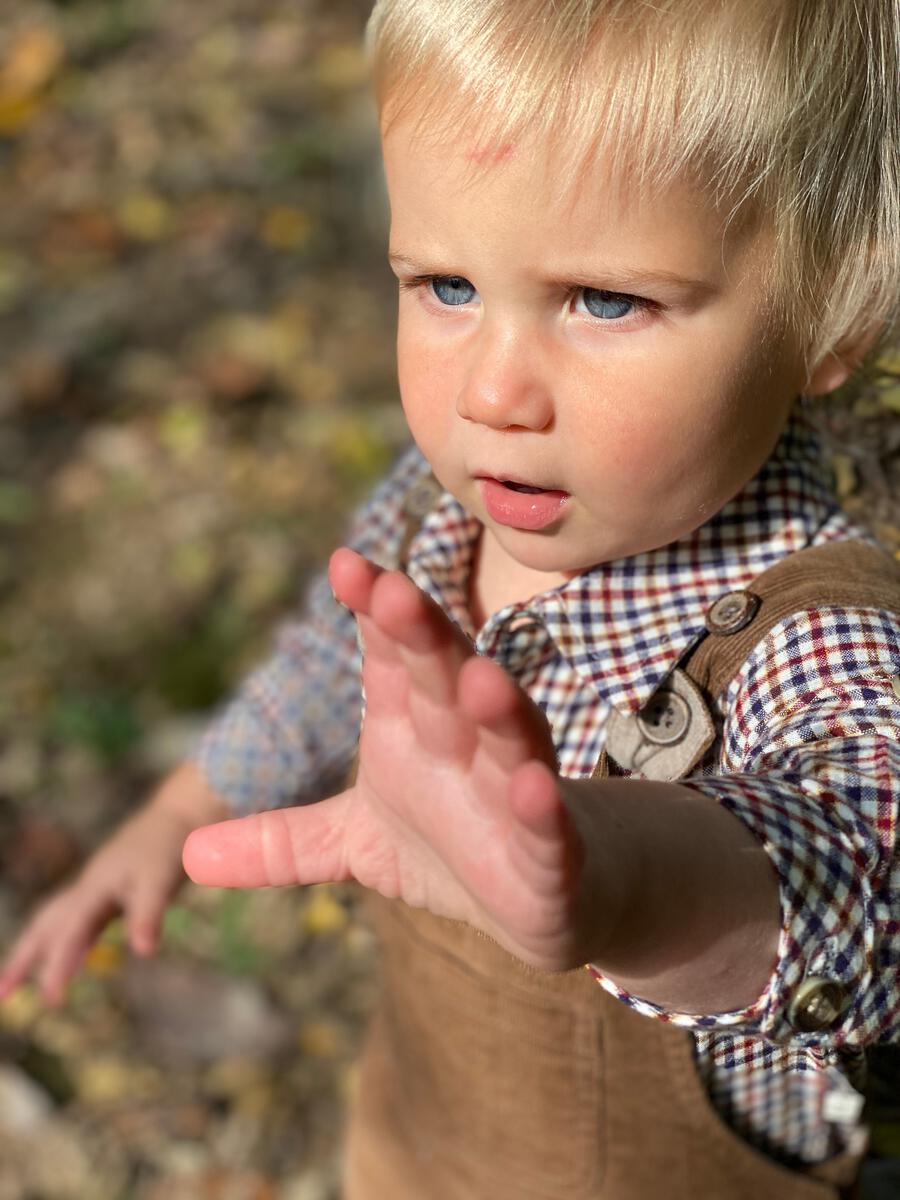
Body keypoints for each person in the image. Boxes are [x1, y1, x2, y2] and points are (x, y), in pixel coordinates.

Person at [3, 1, 899, 1196]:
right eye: (446, 285)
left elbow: (866, 869)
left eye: (604, 300)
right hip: (425, 1139)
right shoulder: (445, 507)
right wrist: (179, 808)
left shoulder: (817, 629)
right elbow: (332, 658)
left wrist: (622, 878)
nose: (490, 392)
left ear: (830, 315)